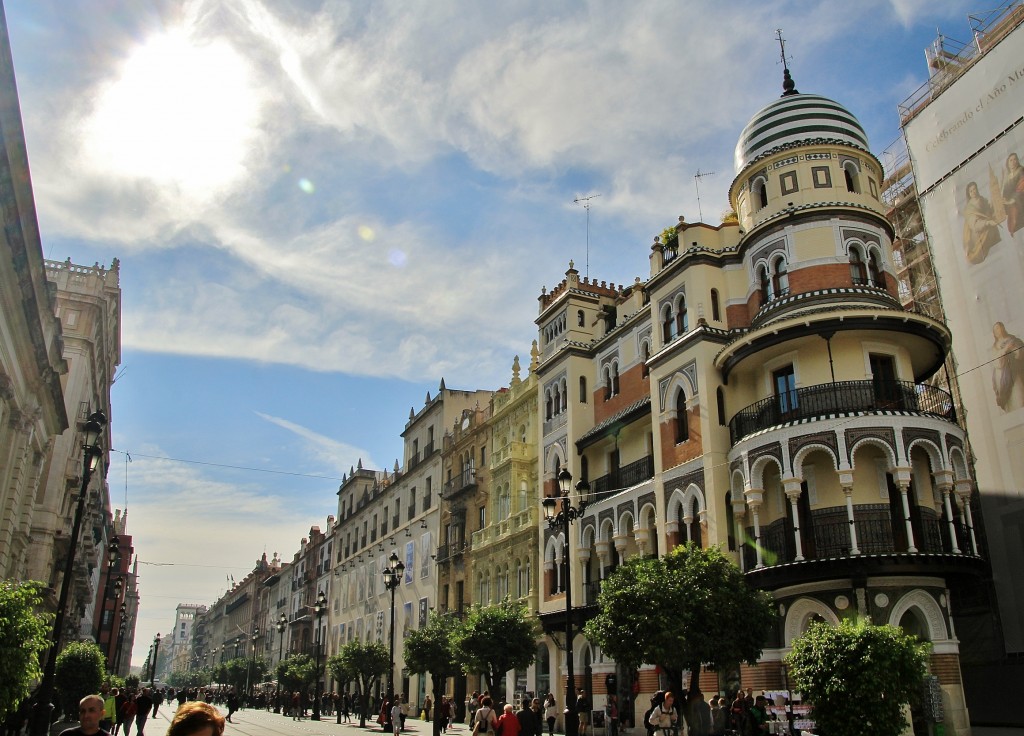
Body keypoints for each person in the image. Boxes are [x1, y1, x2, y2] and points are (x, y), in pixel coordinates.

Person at [963, 180, 1003, 263]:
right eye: (971, 191)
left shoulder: (982, 199)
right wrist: (987, 222)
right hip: (980, 235)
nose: (973, 192)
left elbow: (988, 212)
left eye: (974, 189)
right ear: (969, 194)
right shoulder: (969, 209)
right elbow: (975, 226)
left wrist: (994, 202)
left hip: (991, 229)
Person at [992, 321, 1024, 411]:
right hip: (1003, 377)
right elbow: (997, 363)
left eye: (999, 327)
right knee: (1010, 403)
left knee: (1019, 396)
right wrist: (1006, 349)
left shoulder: (1013, 340)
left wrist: (1014, 349)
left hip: (1015, 372)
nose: (998, 330)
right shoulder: (994, 347)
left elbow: (1020, 353)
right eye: (996, 329)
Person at [1003, 151, 1024, 237]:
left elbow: (1022, 185)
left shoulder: (1021, 171)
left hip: (1021, 202)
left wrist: (1012, 199)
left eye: (1015, 159)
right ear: (1008, 163)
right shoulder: (1006, 178)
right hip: (1012, 208)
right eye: (1011, 160)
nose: (1013, 161)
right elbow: (1004, 192)